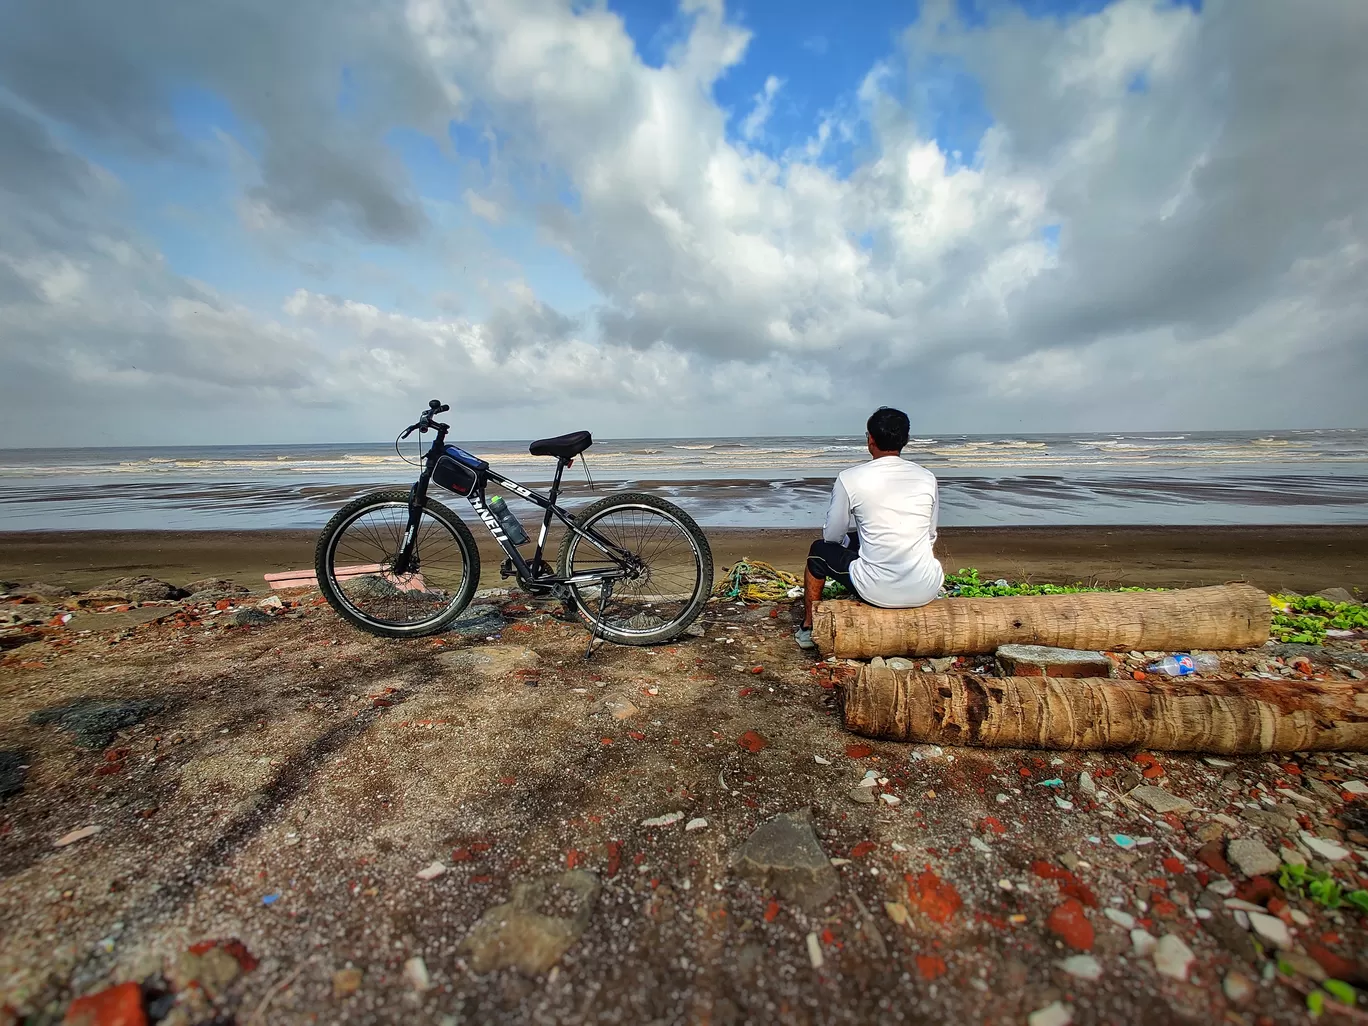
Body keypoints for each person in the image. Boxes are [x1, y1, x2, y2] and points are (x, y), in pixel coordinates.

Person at [794, 407, 943, 650]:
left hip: (877, 591)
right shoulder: (926, 477)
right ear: (905, 439)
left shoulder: (850, 478)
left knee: (818, 551)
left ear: (870, 439)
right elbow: (929, 535)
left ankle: (808, 628)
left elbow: (832, 536)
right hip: (926, 586)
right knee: (863, 538)